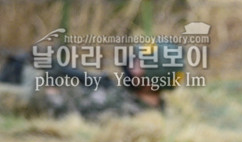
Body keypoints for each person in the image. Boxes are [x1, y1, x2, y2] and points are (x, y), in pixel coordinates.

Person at [0, 42, 183, 120]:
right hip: (50, 92)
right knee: (19, 65)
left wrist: (50, 91)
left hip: (38, 100)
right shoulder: (130, 97)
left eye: (138, 65)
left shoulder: (130, 116)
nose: (129, 66)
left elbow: (69, 117)